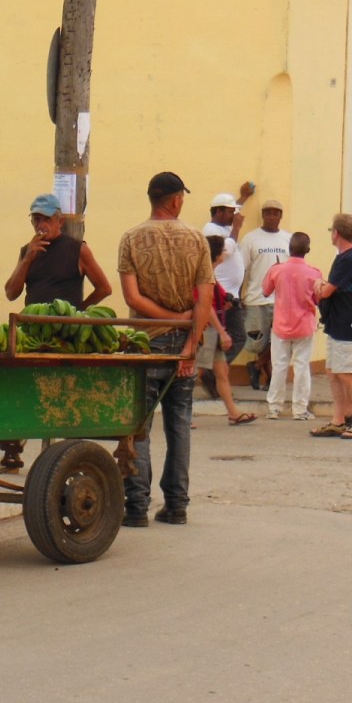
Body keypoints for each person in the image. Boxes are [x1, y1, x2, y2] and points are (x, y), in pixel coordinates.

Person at [118, 171, 214, 526]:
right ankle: (176, 505)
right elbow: (205, 300)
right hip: (184, 343)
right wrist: (189, 343)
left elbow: (133, 298)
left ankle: (137, 506)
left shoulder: (131, 238)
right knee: (179, 423)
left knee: (139, 424)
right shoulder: (197, 240)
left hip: (145, 342)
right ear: (175, 200)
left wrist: (170, 319)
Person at [310, 214, 352, 440]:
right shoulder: (344, 257)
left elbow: (327, 291)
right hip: (339, 322)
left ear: (336, 233)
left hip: (350, 323)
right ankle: (338, 419)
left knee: (347, 373)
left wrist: (319, 284)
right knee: (334, 371)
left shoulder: (348, 259)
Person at [4, 193, 112, 309]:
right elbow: (11, 294)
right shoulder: (28, 250)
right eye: (37, 220)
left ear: (60, 222)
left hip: (64, 325)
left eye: (47, 219)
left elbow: (104, 289)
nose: (41, 225)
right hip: (33, 323)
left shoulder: (77, 249)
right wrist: (27, 260)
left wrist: (79, 312)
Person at [199, 183, 255, 396]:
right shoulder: (210, 230)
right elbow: (227, 249)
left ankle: (213, 375)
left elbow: (234, 209)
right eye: (230, 211)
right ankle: (212, 373)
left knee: (226, 337)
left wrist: (243, 198)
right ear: (219, 211)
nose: (235, 215)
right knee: (235, 336)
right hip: (223, 295)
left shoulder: (223, 226)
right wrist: (237, 229)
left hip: (231, 294)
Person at [196, 235, 257, 425]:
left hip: (212, 328)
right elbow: (206, 306)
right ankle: (184, 415)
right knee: (192, 373)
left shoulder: (209, 274)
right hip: (207, 330)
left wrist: (229, 302)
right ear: (216, 255)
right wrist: (222, 331)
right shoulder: (204, 276)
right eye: (222, 250)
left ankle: (233, 413)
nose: (225, 254)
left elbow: (217, 300)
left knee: (221, 371)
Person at [261, 232, 321, 420]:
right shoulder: (314, 273)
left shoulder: (277, 270)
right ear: (308, 250)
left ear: (290, 248)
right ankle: (300, 409)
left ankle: (275, 407)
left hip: (280, 325)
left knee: (279, 365)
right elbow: (318, 299)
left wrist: (273, 270)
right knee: (302, 367)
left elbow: (265, 291)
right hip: (304, 325)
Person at [238, 199, 293, 390]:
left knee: (280, 341)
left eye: (275, 213)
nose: (271, 216)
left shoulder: (288, 239)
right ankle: (268, 377)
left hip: (283, 300)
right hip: (256, 298)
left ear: (280, 216)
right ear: (263, 215)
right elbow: (241, 269)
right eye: (268, 212)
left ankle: (257, 366)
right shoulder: (250, 239)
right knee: (258, 343)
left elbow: (295, 269)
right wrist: (239, 296)